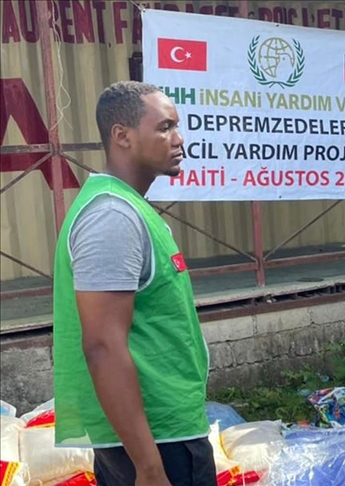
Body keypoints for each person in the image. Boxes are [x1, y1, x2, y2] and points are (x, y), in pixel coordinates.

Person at [52, 81, 214, 486]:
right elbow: (102, 346)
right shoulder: (113, 217)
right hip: (156, 444)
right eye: (164, 127)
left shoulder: (128, 209)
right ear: (121, 136)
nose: (179, 139)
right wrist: (149, 467)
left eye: (176, 126)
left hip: (162, 433)